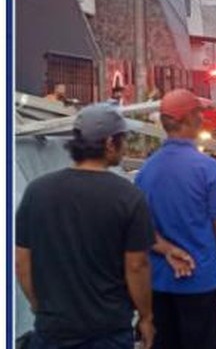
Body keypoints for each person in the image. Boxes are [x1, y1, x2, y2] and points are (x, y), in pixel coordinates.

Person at [16, 103, 155, 349]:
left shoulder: (37, 191)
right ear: (110, 143)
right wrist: (146, 317)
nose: (124, 147)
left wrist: (40, 307)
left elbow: (22, 262)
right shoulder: (127, 196)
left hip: (53, 330)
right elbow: (136, 265)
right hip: (107, 331)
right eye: (123, 139)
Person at [136, 89, 216, 349]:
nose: (202, 119)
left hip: (160, 283)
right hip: (199, 281)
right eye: (199, 113)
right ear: (188, 119)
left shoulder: (147, 170)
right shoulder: (207, 168)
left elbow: (141, 228)